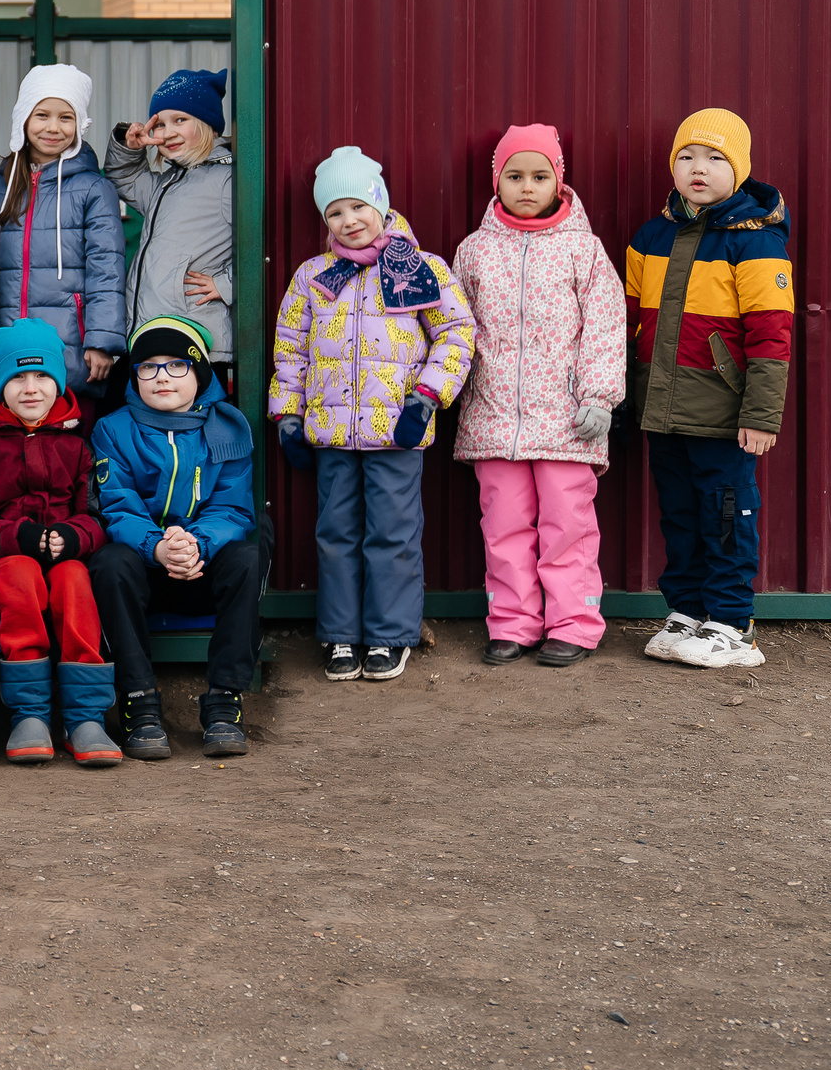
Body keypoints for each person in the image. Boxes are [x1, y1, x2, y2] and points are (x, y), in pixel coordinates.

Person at [271, 147, 477, 683]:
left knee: (393, 534)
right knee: (335, 533)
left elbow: (456, 334)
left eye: (358, 206)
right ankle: (341, 636)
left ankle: (390, 636)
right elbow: (291, 347)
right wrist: (287, 414)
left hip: (397, 431)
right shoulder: (314, 276)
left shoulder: (420, 269)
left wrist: (427, 396)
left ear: (381, 207)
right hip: (332, 432)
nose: (349, 220)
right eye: (335, 212)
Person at [451, 125, 626, 669]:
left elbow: (604, 326)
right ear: (497, 181)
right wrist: (451, 392)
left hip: (568, 421)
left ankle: (574, 623)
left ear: (559, 181)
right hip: (494, 418)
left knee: (567, 527)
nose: (527, 186)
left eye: (540, 175)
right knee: (503, 526)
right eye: (515, 175)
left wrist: (599, 396)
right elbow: (455, 326)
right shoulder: (474, 251)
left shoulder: (584, 251)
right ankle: (512, 622)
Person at [625, 109, 793, 672]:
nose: (699, 168)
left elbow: (772, 335)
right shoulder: (652, 236)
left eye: (716, 157)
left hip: (723, 413)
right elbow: (625, 324)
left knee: (726, 513)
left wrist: (762, 416)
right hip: (661, 409)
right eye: (687, 157)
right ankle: (688, 610)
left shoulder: (756, 242)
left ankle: (731, 623)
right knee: (678, 512)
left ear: (740, 169)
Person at [87, 316, 262, 759]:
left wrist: (195, 544)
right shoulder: (114, 429)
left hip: (202, 567)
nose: (162, 376)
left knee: (247, 555)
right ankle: (139, 703)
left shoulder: (226, 427)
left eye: (176, 365)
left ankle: (225, 701)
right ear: (135, 375)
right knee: (109, 562)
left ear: (200, 372)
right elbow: (117, 506)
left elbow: (233, 508)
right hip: (146, 572)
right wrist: (158, 547)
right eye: (148, 366)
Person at [0, 316, 120, 767]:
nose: (31, 388)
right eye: (18, 378)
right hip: (12, 554)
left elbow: (97, 515)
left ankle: (85, 718)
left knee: (74, 581)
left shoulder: (78, 445)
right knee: (19, 577)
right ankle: (29, 715)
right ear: (1, 387)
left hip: (67, 554)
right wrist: (19, 537)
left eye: (43, 376)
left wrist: (72, 536)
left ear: (59, 381)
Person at [0, 62, 126, 411]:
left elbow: (107, 268)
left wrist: (102, 341)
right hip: (9, 358)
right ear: (23, 119)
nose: (53, 128)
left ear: (80, 124)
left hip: (73, 355)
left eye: (66, 117)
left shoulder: (94, 189)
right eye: (42, 115)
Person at [106, 67, 236, 385]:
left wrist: (227, 284)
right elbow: (123, 178)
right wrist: (130, 147)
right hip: (149, 334)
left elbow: (263, 245)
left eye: (181, 120)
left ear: (207, 124)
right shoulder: (168, 182)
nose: (168, 132)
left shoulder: (226, 179)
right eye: (160, 123)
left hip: (195, 339)